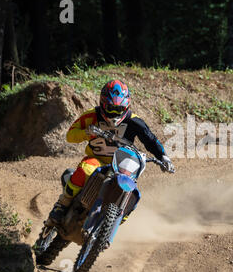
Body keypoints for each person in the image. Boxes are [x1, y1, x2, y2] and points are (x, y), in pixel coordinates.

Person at [48, 79, 174, 225]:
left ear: (126, 107)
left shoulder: (134, 121)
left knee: (131, 191)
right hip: (97, 159)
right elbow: (70, 136)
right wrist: (86, 133)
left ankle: (115, 222)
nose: (114, 113)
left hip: (122, 166)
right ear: (102, 103)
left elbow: (151, 140)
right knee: (85, 170)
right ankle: (61, 205)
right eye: (110, 108)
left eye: (118, 109)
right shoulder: (91, 116)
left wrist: (163, 157)